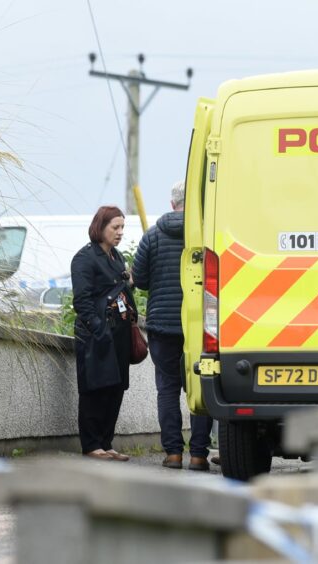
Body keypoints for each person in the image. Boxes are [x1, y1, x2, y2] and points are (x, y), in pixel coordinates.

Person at [133, 181, 214, 471]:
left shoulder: (152, 236)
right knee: (201, 388)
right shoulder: (206, 235)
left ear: (172, 204)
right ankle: (199, 455)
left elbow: (140, 280)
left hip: (162, 327)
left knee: (167, 389)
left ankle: (173, 454)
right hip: (199, 326)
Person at [71, 205, 137, 461]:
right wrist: (98, 329)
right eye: (115, 227)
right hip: (96, 334)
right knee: (95, 389)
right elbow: (82, 301)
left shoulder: (117, 257)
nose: (120, 232)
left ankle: (106, 442)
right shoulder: (85, 258)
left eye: (122, 227)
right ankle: (91, 444)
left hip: (119, 331)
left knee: (116, 388)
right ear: (101, 227)